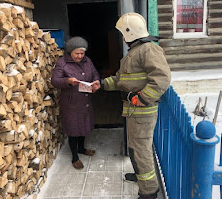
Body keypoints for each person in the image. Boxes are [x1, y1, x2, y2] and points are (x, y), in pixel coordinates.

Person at [93, 12, 171, 199]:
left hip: (142, 110)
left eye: (122, 33)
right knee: (135, 147)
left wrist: (143, 99)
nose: (122, 37)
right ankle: (140, 176)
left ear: (130, 32)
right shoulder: (134, 52)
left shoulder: (148, 50)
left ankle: (149, 191)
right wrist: (102, 84)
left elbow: (162, 78)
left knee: (141, 150)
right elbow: (121, 79)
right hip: (133, 109)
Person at [51, 36, 101, 169]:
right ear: (70, 52)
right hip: (71, 102)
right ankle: (74, 157)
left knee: (83, 126)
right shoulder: (62, 63)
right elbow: (54, 81)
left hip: (85, 99)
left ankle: (82, 149)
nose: (80, 56)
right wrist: (67, 81)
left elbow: (95, 73)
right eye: (77, 53)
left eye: (82, 53)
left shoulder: (87, 61)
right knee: (73, 129)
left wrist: (96, 82)